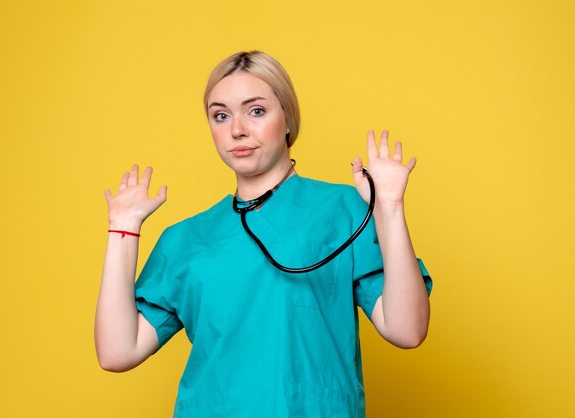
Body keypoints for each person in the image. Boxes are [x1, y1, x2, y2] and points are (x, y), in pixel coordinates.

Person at [94, 50, 433, 417]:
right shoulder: (186, 239)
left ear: (288, 118)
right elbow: (117, 352)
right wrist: (122, 229)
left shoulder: (344, 209)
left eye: (256, 111)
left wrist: (391, 208)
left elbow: (407, 330)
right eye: (220, 115)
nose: (237, 129)